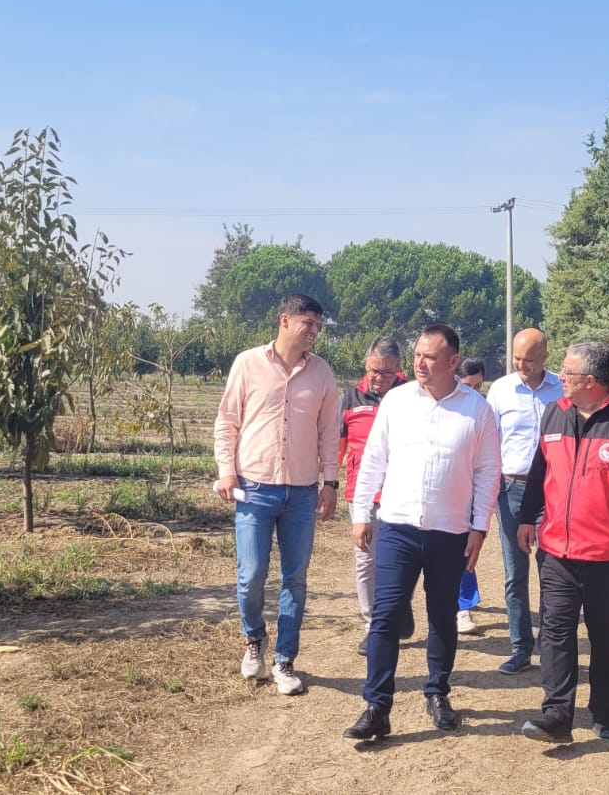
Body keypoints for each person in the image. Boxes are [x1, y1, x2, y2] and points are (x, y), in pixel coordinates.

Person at [344, 324, 501, 741]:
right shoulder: (396, 402)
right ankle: (377, 706)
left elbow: (488, 472)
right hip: (397, 527)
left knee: (442, 616)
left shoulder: (477, 410)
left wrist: (480, 526)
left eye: (430, 357)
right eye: (417, 355)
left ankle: (437, 692)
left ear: (452, 361)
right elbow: (373, 459)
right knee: (385, 616)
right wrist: (362, 513)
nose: (420, 363)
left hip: (451, 530)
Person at [517, 342, 609, 742]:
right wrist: (527, 517)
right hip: (557, 553)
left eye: (567, 372)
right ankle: (556, 715)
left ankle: (604, 709)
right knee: (555, 634)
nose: (560, 377)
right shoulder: (555, 412)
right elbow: (539, 472)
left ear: (591, 381)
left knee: (608, 638)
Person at [213, 293, 340, 697]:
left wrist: (330, 483)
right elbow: (227, 422)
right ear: (285, 321)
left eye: (318, 325)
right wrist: (226, 471)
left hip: (301, 493)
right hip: (254, 489)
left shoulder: (322, 373)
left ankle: (285, 660)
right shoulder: (248, 363)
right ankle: (254, 638)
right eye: (308, 323)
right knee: (250, 575)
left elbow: (329, 433)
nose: (314, 331)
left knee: (295, 578)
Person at [485, 328, 563, 674]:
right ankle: (520, 647)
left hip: (553, 492)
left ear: (545, 355)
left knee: (552, 571)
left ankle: (551, 646)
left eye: (529, 360)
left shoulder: (562, 389)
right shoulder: (501, 390)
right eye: (517, 359)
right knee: (515, 573)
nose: (521, 365)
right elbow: (489, 442)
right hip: (511, 490)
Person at [338, 336, 414, 656]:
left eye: (386, 372)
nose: (379, 378)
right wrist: (328, 484)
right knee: (366, 561)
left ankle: (397, 607)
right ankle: (373, 625)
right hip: (362, 492)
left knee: (400, 560)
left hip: (402, 490)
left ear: (399, 369)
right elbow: (338, 445)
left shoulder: (411, 395)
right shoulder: (350, 397)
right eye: (373, 371)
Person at [454, 356, 489, 635]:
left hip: (470, 489)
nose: (474, 391)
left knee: (464, 549)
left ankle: (463, 608)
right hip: (442, 492)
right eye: (469, 386)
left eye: (479, 386)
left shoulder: (483, 408)